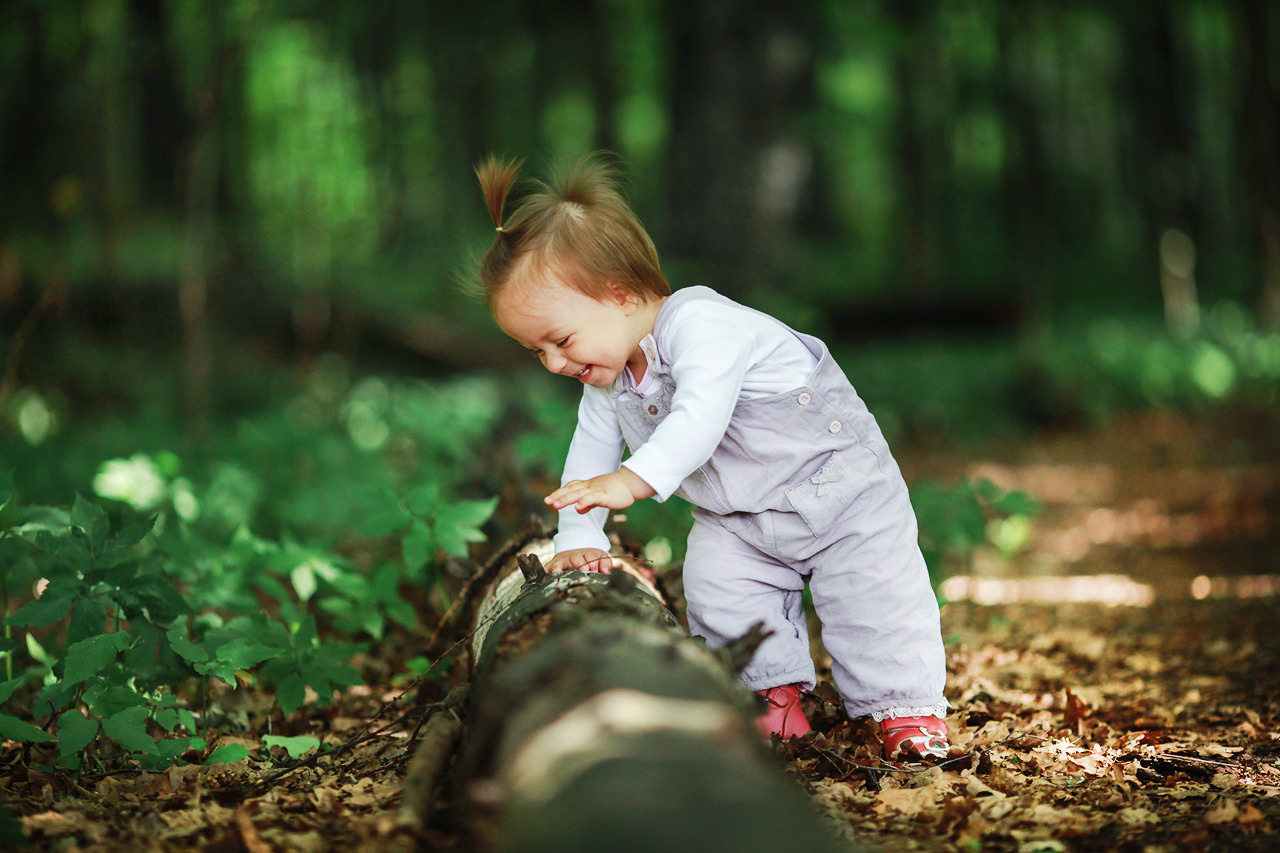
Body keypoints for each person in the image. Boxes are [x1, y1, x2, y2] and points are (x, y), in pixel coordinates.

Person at [474, 154, 950, 761]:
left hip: (840, 493)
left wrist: (632, 481)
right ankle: (769, 698)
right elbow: (588, 454)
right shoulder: (610, 381)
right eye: (535, 351)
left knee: (874, 599)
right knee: (718, 589)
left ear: (619, 294)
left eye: (560, 340)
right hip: (740, 518)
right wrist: (579, 535)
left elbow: (699, 415)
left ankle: (905, 711)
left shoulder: (702, 324)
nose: (553, 363)